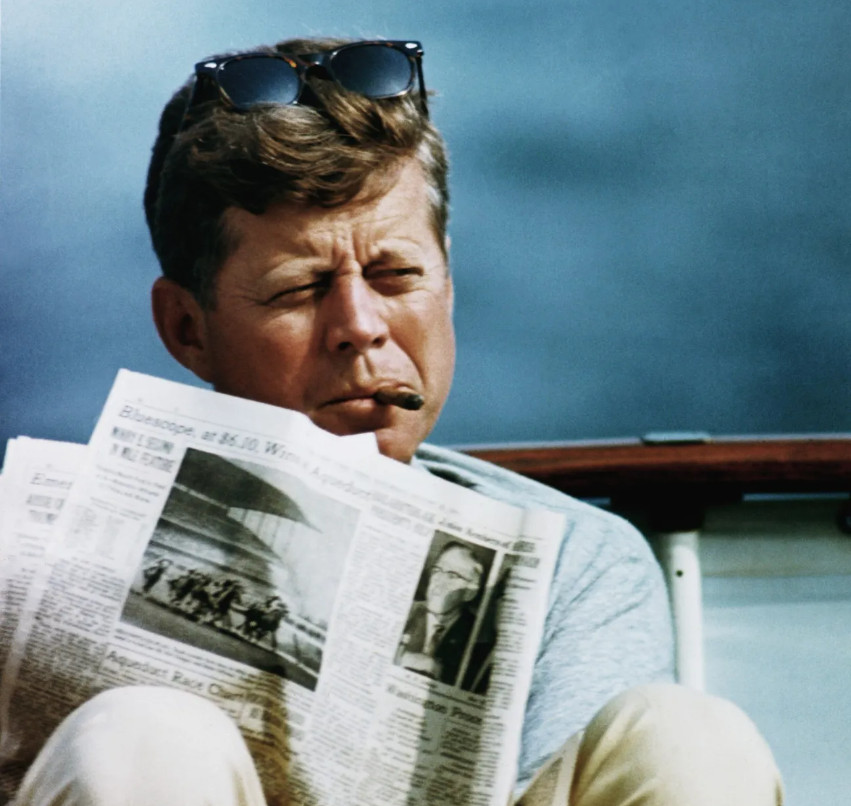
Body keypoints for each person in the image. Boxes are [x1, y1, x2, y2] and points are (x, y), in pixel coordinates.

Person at [12, 36, 784, 806]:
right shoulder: (35, 555)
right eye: (298, 289)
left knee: (687, 736)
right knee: (139, 734)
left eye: (395, 276)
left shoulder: (578, 563)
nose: (360, 326)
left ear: (446, 283)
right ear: (187, 329)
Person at [395, 540, 493, 689]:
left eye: (452, 575)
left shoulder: (479, 638)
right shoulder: (404, 611)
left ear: (469, 593)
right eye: (437, 570)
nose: (438, 581)